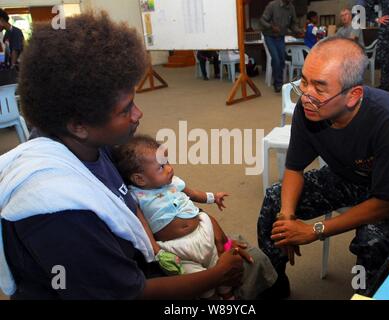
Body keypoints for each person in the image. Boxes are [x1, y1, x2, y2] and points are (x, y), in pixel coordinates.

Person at [0, 12, 277, 300]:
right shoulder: (59, 217)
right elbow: (134, 293)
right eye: (125, 109)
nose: (138, 114)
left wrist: (206, 230)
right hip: (133, 286)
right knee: (247, 275)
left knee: (252, 258)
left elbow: (146, 195)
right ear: (78, 125)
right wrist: (218, 274)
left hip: (142, 261)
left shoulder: (88, 145)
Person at [258, 37, 389, 295]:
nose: (306, 94)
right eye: (304, 81)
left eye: (319, 88)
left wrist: (314, 231)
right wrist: (287, 218)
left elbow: (384, 203)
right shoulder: (308, 108)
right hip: (349, 178)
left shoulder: (388, 117)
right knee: (275, 201)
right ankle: (275, 285)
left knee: (371, 239)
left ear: (353, 95)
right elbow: (294, 168)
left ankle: (365, 293)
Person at [113, 135, 237, 299]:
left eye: (168, 162)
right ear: (139, 179)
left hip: (202, 233)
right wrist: (157, 251)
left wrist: (213, 197)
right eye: (161, 167)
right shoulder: (137, 196)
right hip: (177, 250)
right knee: (203, 286)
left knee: (223, 275)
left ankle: (229, 297)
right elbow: (143, 225)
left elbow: (193, 194)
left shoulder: (174, 182)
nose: (169, 168)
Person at [260, 0, 302, 92]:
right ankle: (278, 83)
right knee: (276, 58)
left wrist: (297, 30)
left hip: (280, 37)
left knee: (282, 59)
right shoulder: (272, 5)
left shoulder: (291, 8)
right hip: (269, 36)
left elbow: (293, 24)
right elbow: (262, 20)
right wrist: (271, 27)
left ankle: (277, 79)